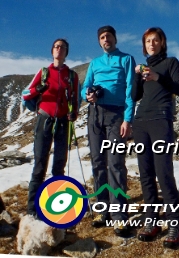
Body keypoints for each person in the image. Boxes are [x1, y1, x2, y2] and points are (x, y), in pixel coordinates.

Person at [131, 27, 179, 247]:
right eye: (147, 41)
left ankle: (174, 223)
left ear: (162, 42)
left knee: (164, 173)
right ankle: (151, 220)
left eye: (155, 40)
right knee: (145, 174)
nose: (151, 44)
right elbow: (136, 96)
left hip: (161, 119)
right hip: (140, 121)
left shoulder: (171, 63)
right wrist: (137, 77)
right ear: (144, 45)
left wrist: (158, 77)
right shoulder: (145, 68)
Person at [81, 25, 136, 237]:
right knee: (97, 162)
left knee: (115, 163)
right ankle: (102, 210)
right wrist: (89, 95)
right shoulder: (94, 63)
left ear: (115, 38)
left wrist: (127, 119)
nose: (106, 40)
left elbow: (130, 91)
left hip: (116, 116)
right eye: (102, 37)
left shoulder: (126, 59)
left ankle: (119, 215)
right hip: (95, 114)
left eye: (109, 36)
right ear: (99, 42)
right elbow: (86, 86)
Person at [24, 39, 80, 215]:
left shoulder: (72, 76)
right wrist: (38, 90)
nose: (59, 49)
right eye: (56, 46)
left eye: (63, 47)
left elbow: (75, 100)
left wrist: (74, 114)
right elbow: (25, 94)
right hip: (45, 120)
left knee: (59, 166)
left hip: (63, 122)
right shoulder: (43, 72)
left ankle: (56, 207)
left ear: (66, 52)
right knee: (40, 164)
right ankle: (32, 209)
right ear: (52, 51)